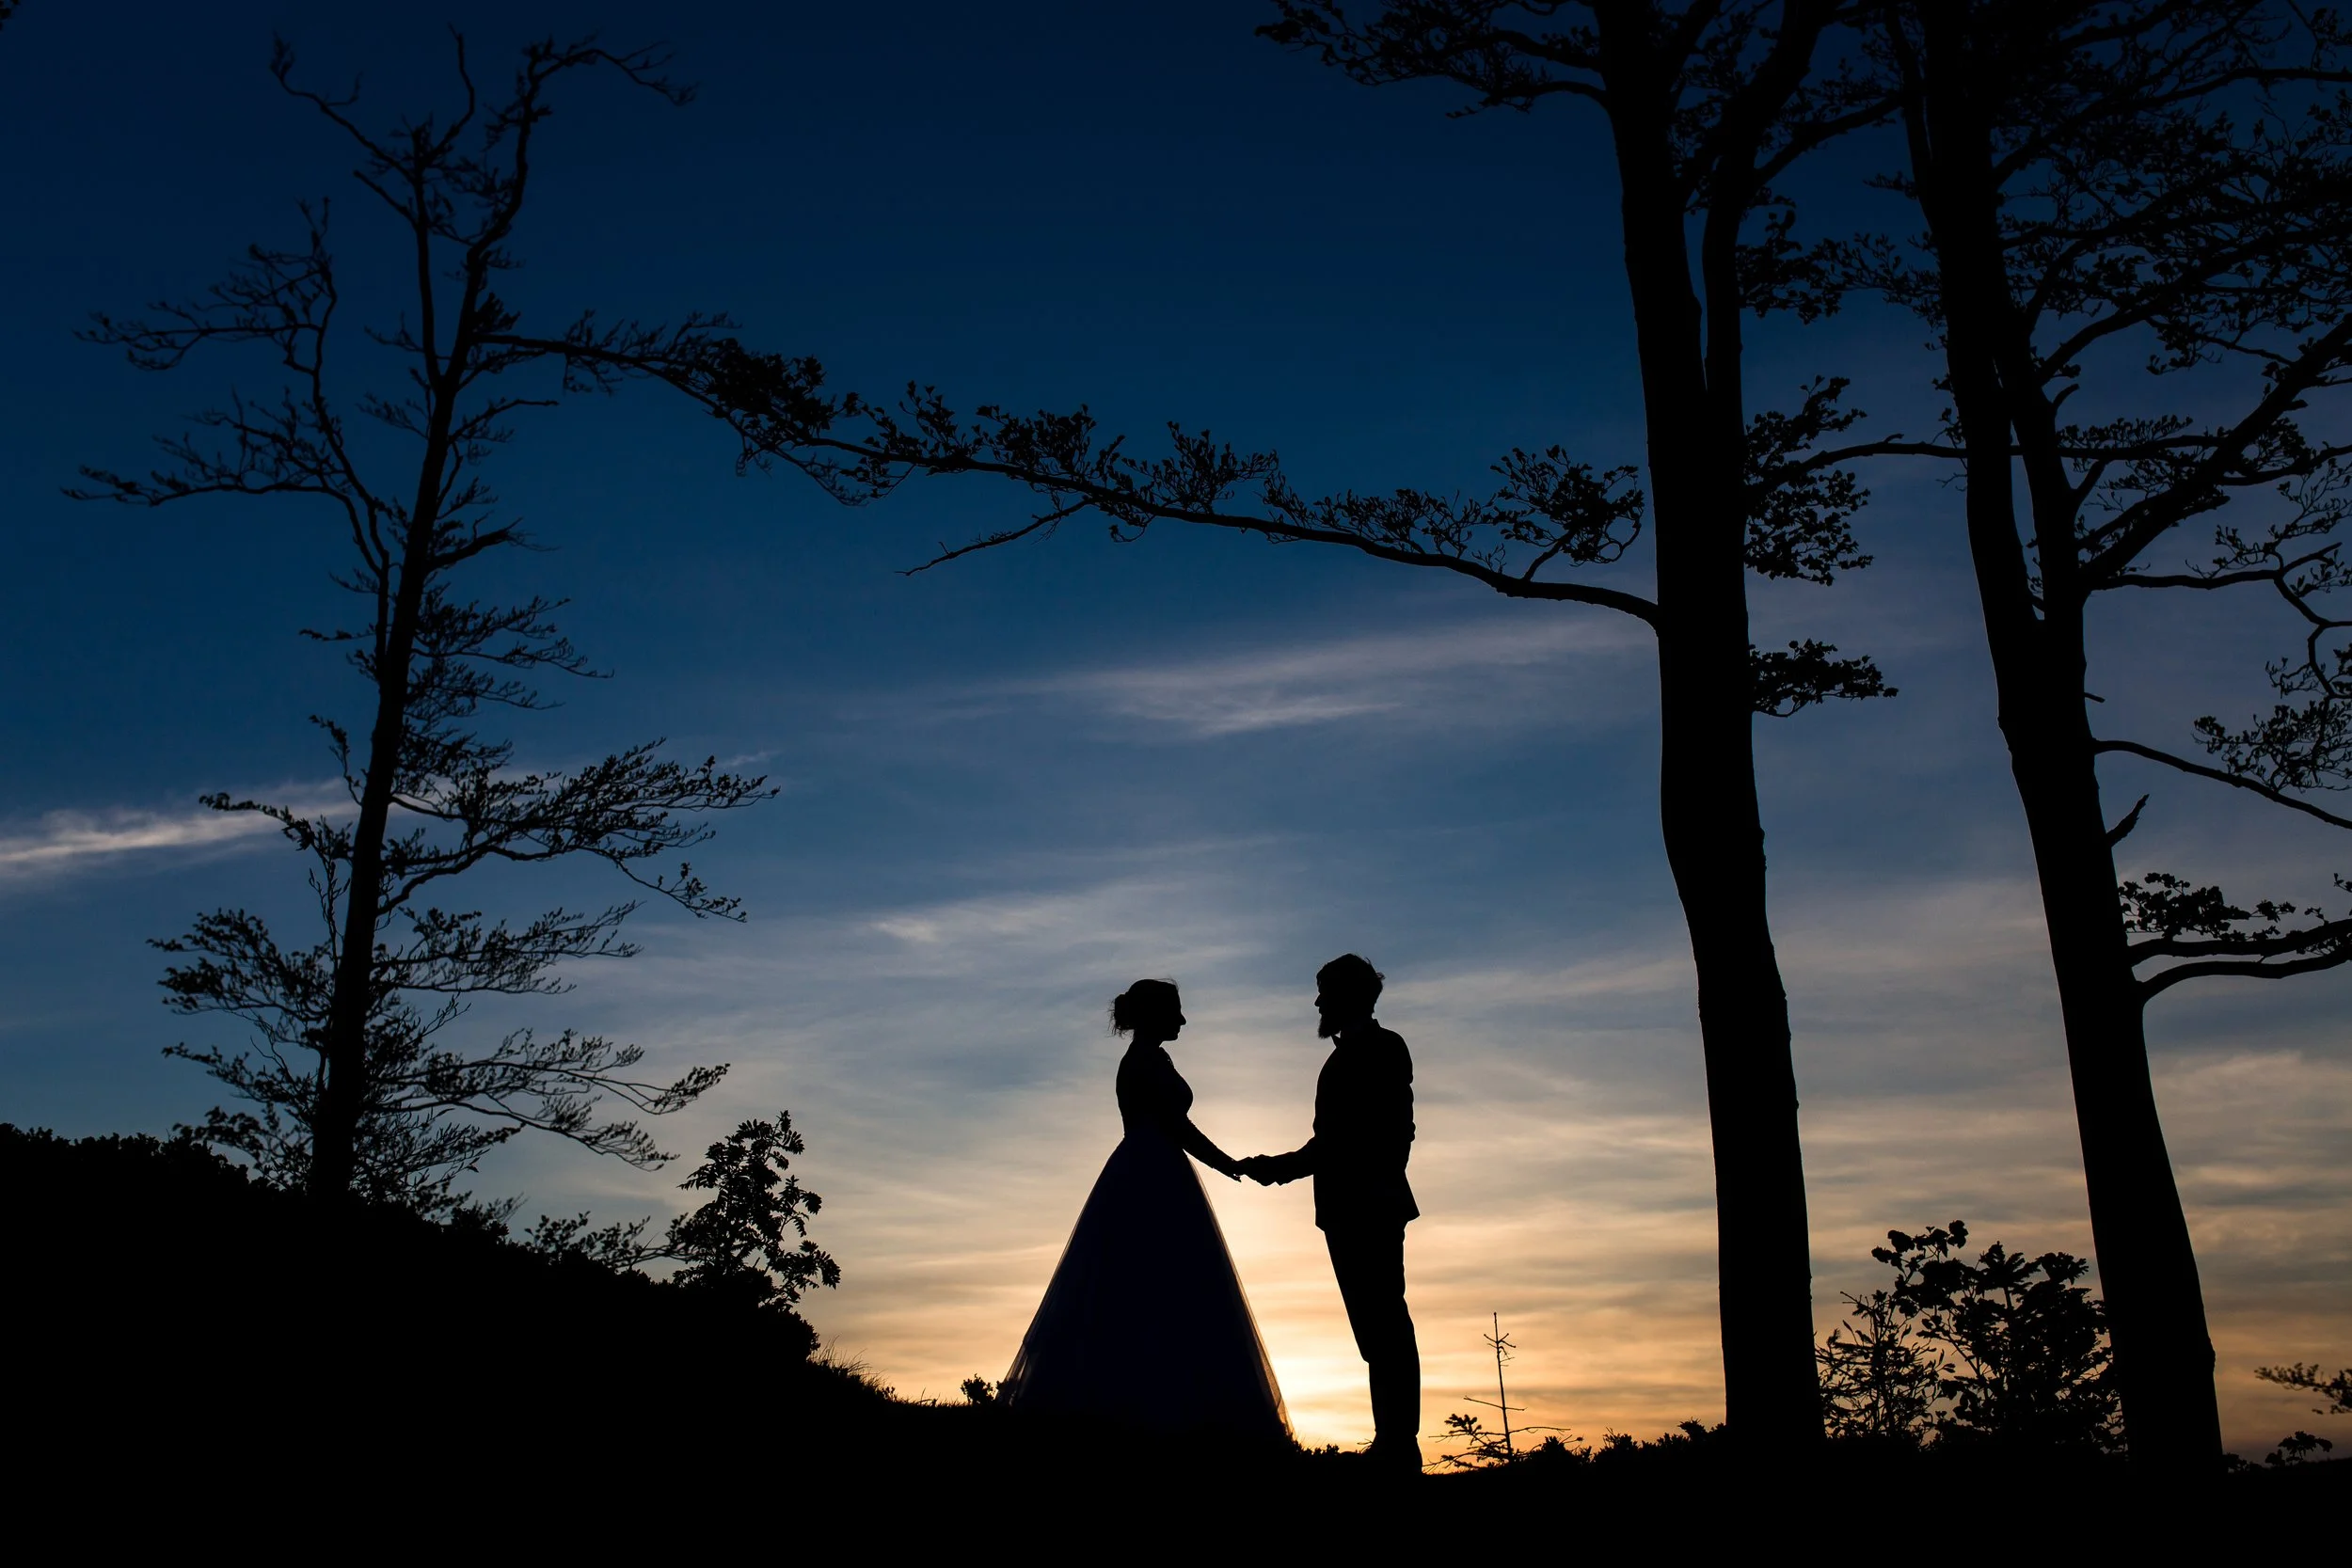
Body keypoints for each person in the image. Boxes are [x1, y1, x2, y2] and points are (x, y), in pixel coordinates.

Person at [998, 978, 1291, 1443]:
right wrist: (1227, 1163)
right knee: (1151, 1284)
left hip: (1151, 1169)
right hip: (1150, 1173)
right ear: (1155, 1014)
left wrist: (1223, 1163)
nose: (1183, 1020)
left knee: (1153, 1286)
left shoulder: (1153, 1059)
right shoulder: (1144, 1062)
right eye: (1175, 1011)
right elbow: (1178, 1126)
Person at [1238, 954, 1421, 1470]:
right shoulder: (1344, 1058)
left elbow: (1356, 1140)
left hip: (1371, 1206)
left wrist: (1280, 1168)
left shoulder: (1383, 1049)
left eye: (1324, 992)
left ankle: (1398, 1445)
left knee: (1385, 1324)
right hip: (1348, 1209)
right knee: (1374, 1327)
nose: (1317, 1002)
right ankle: (1393, 1440)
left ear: (1348, 996)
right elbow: (1336, 1143)